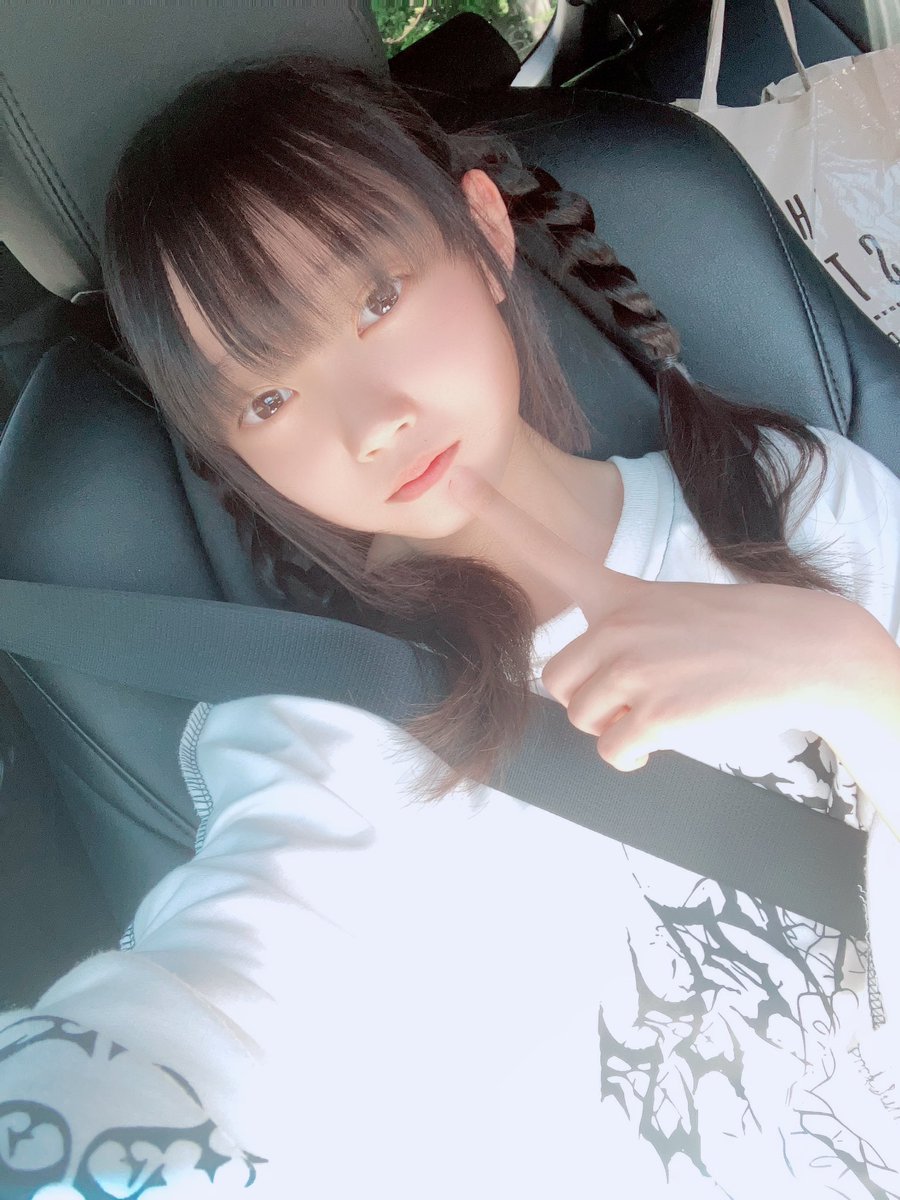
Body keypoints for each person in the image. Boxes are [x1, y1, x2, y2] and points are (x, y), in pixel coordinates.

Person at [2, 52, 899, 1198]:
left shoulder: (793, 494)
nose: (370, 423)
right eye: (267, 398)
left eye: (376, 301)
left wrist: (863, 684)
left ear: (484, 233)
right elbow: (203, 1021)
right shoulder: (322, 737)